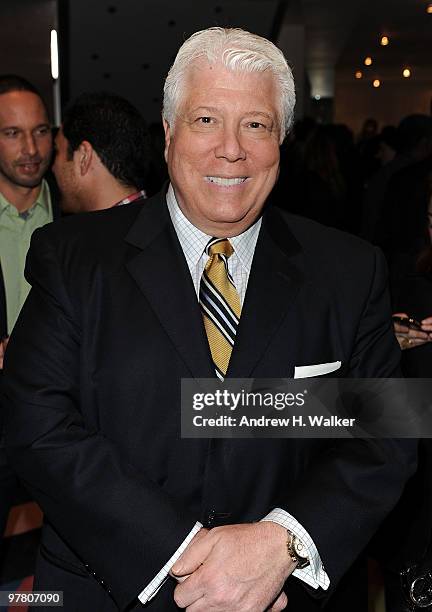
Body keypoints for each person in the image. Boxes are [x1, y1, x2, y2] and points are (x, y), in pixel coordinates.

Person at [2, 28, 416, 612]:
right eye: (205, 120)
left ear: (282, 141)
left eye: (256, 124)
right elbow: (37, 423)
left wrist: (283, 543)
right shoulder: (73, 258)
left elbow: (387, 431)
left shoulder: (348, 270)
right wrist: (183, 552)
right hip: (108, 592)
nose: (231, 149)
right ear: (168, 133)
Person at [0, 74, 59, 549]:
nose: (31, 148)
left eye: (40, 131)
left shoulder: (75, 216)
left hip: (59, 414)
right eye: (12, 133)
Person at [53, 92, 149, 213]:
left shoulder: (103, 230)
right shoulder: (157, 220)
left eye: (57, 151)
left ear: (84, 157)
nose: (53, 167)